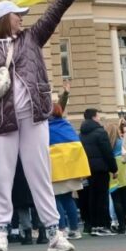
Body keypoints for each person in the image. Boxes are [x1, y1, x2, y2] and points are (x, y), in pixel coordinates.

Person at [0, 0, 82, 251]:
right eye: (16, 15)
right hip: (0, 121)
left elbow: (52, 17)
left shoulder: (31, 39)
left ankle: (53, 232)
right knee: (0, 176)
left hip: (34, 117)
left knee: (40, 174)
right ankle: (0, 232)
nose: (22, 19)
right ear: (3, 18)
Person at [48, 102, 88, 241]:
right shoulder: (67, 126)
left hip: (55, 169)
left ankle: (61, 229)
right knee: (68, 199)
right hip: (71, 169)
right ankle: (75, 229)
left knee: (55, 199)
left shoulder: (46, 128)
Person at [78, 108, 115, 238]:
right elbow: (107, 152)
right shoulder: (100, 132)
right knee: (102, 197)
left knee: (91, 197)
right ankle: (102, 225)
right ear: (94, 117)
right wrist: (114, 168)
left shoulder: (81, 134)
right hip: (101, 169)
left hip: (88, 169)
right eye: (98, 116)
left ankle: (93, 225)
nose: (99, 118)